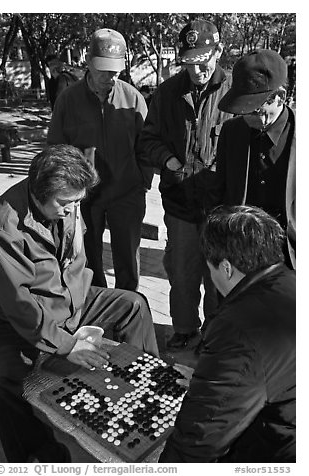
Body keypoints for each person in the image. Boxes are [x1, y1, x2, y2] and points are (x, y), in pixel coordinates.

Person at [0, 144, 159, 463]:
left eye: (78, 202)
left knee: (132, 304)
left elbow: (76, 264)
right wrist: (67, 344)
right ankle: (36, 455)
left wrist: (78, 320)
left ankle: (143, 391)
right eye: (65, 203)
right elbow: (20, 305)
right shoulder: (1, 227)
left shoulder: (67, 201)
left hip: (70, 300)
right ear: (39, 191)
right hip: (18, 318)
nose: (72, 210)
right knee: (1, 376)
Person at [159, 205, 295, 463]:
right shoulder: (292, 280)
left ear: (226, 268)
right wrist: (216, 375)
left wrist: (217, 383)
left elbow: (199, 439)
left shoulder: (237, 327)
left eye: (209, 269)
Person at [140, 19, 232, 349]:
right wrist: (170, 162)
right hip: (179, 204)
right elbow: (147, 140)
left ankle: (214, 335)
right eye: (189, 63)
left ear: (218, 51)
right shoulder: (167, 92)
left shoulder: (235, 92)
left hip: (221, 210)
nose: (196, 71)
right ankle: (184, 327)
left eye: (203, 61)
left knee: (219, 277)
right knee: (181, 272)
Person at [47, 29, 153, 292]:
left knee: (128, 259)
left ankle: (129, 309)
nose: (111, 76)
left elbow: (147, 144)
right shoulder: (68, 100)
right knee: (88, 259)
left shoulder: (133, 98)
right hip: (84, 196)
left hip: (127, 192)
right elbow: (56, 149)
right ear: (89, 62)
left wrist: (143, 182)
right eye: (104, 69)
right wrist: (65, 192)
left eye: (116, 70)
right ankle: (98, 306)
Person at [211, 49, 296, 269]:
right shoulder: (231, 132)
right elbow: (220, 190)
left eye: (256, 110)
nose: (248, 118)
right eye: (243, 111)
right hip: (241, 251)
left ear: (280, 97)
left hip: (292, 255)